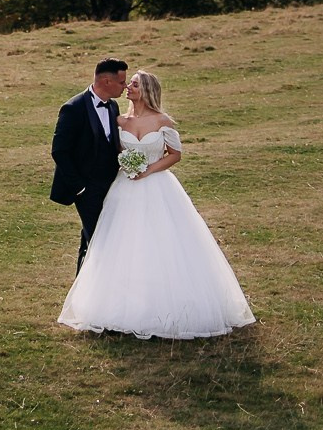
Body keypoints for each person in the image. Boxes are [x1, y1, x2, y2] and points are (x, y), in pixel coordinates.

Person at [58, 70, 256, 339]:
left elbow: (175, 155)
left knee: (161, 241)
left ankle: (166, 305)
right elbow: (109, 150)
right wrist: (122, 168)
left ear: (147, 90)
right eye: (128, 83)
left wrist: (149, 170)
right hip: (124, 189)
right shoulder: (119, 119)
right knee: (121, 243)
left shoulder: (163, 121)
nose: (128, 87)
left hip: (157, 187)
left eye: (135, 84)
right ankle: (118, 305)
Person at [50, 58, 126, 268]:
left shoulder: (113, 106)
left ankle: (83, 287)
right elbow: (59, 151)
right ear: (107, 81)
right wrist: (80, 188)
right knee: (100, 240)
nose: (125, 87)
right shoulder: (73, 108)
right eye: (122, 82)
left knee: (92, 239)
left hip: (111, 186)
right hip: (86, 189)